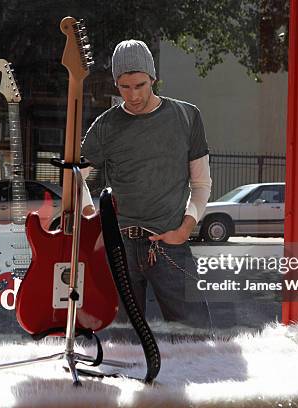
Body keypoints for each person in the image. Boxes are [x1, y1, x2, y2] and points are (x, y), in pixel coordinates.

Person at [80, 39, 212, 327]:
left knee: (197, 334)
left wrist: (185, 228)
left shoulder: (187, 117)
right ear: (116, 84)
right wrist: (91, 218)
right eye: (124, 87)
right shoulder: (105, 126)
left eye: (140, 85)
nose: (133, 94)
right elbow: (74, 175)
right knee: (121, 339)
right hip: (119, 247)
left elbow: (201, 184)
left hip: (170, 242)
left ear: (153, 78)